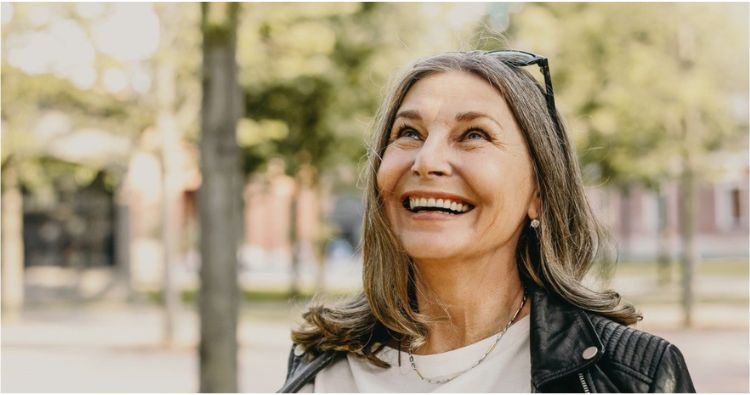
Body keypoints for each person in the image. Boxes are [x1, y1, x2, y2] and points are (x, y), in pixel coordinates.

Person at [278, 50, 695, 393]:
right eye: (409, 133)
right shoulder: (321, 369)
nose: (427, 161)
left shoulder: (631, 377)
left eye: (474, 134)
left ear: (540, 193)